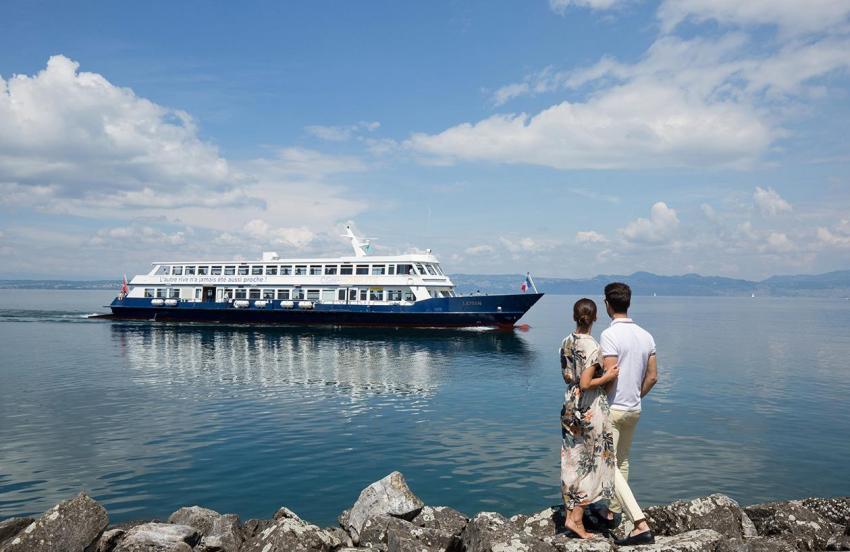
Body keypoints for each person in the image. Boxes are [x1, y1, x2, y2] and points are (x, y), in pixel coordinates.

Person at [600, 282, 657, 546]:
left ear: (607, 304)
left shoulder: (609, 336)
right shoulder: (647, 336)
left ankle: (639, 523)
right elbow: (653, 377)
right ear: (628, 303)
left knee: (608, 468)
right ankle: (614, 513)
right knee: (621, 462)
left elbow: (611, 376)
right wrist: (636, 395)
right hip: (634, 408)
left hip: (613, 409)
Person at [559, 298, 620, 538]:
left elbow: (570, 379)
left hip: (569, 405)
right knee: (593, 463)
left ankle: (568, 513)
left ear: (575, 316)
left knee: (572, 459)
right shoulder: (593, 346)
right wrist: (608, 377)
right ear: (595, 318)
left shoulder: (565, 341)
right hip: (589, 407)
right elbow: (586, 384)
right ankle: (576, 519)